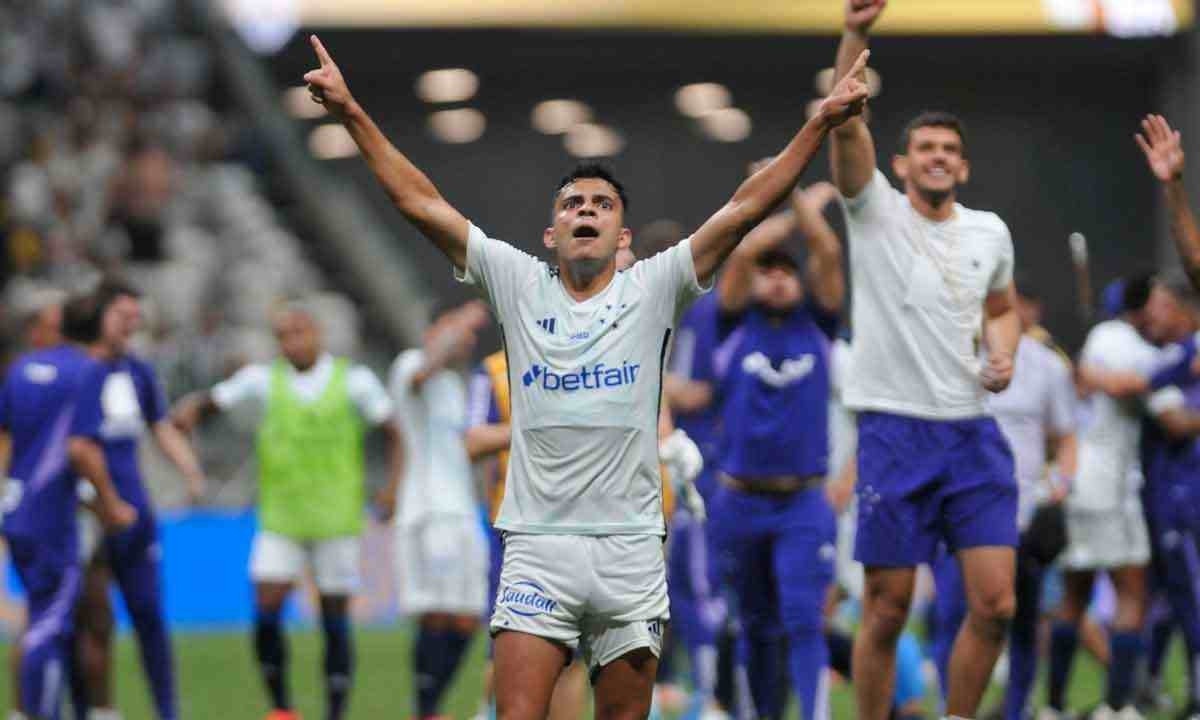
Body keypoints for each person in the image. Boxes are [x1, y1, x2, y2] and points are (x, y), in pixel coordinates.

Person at [301, 31, 870, 719]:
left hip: (630, 548)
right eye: (572, 205)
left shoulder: (657, 288)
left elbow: (747, 208)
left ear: (624, 238)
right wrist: (350, 111)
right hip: (539, 547)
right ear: (550, 234)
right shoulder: (515, 283)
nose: (587, 213)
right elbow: (420, 203)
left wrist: (815, 125)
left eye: (602, 205)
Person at [829, 2, 1023, 717]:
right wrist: (856, 33)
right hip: (893, 430)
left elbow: (1000, 311)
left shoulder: (990, 232)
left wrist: (1001, 355)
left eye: (950, 149)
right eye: (925, 148)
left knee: (997, 604)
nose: (938, 156)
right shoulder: (873, 210)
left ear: (962, 166)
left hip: (971, 432)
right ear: (902, 163)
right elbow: (847, 123)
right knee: (886, 609)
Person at [171, 302, 400, 720]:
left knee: (334, 616)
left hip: (335, 518)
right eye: (283, 336)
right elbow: (213, 401)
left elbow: (394, 432)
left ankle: (335, 710)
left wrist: (392, 489)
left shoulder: (353, 381)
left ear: (317, 334)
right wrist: (189, 411)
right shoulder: (261, 380)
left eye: (299, 333)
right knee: (266, 604)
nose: (291, 343)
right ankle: (281, 707)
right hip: (281, 518)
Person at [704, 179, 844, 720]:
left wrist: (802, 205)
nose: (779, 278)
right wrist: (791, 203)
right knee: (752, 624)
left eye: (789, 271)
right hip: (739, 500)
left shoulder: (821, 325)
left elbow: (828, 252)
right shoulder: (732, 323)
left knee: (805, 617)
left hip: (802, 502)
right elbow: (741, 252)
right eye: (771, 270)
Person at [928, 281, 1078, 720]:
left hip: (1023, 514)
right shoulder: (948, 359)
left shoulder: (1048, 367)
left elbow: (1066, 440)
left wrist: (1059, 487)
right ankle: (951, 708)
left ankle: (1016, 711)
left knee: (1022, 620)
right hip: (961, 510)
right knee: (951, 615)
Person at [67, 281, 205, 720]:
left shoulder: (137, 372)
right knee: (89, 621)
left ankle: (167, 711)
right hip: (86, 513)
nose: (133, 324)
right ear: (100, 314)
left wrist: (191, 471)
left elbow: (160, 426)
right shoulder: (76, 372)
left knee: (149, 614)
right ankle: (89, 708)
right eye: (123, 314)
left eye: (135, 316)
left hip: (134, 512)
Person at [0, 292, 135, 720]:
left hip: (18, 507)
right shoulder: (86, 372)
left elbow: (6, 441)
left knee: (42, 616)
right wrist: (111, 505)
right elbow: (80, 449)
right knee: (54, 625)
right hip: (54, 515)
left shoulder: (18, 371)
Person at [1047, 275, 1162, 720]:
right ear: (1144, 306)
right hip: (1108, 485)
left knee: (1074, 596)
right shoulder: (1134, 346)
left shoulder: (1101, 335)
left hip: (1081, 480)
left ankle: (1055, 706)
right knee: (1133, 591)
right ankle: (1118, 705)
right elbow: (1147, 388)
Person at [387, 300, 491, 719]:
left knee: (468, 617)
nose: (466, 339)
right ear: (434, 331)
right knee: (437, 613)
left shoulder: (458, 383)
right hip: (428, 510)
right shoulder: (411, 365)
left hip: (463, 512)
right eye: (455, 331)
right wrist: (460, 323)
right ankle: (427, 710)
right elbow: (420, 374)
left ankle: (428, 708)